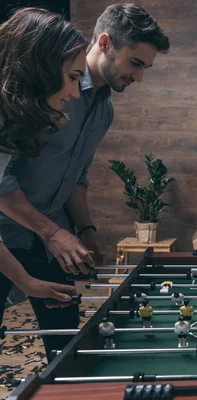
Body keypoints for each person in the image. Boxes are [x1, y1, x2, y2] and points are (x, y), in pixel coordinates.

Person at [0, 3, 170, 357]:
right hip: (12, 231)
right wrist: (51, 232)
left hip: (51, 237)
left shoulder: (103, 109)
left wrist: (86, 230)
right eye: (136, 63)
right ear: (105, 43)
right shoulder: (40, 93)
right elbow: (3, 181)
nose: (139, 77)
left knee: (65, 343)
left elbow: (76, 175)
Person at [0, 8, 87, 305]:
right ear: (42, 67)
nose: (76, 93)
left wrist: (27, 282)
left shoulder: (9, 120)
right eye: (73, 77)